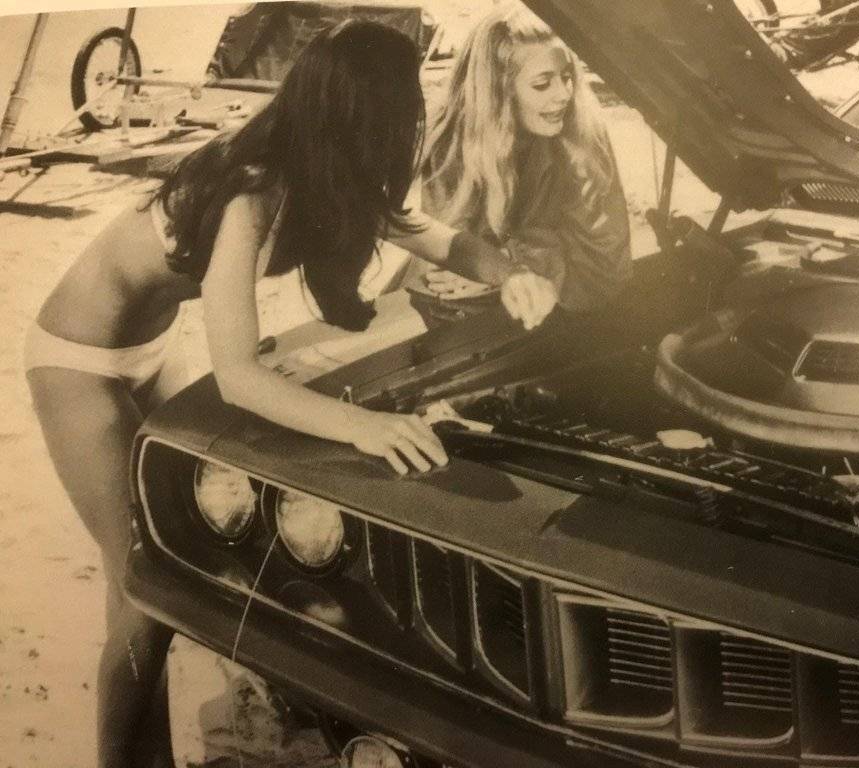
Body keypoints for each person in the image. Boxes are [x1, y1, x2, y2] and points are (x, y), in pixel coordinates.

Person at [23, 21, 555, 768]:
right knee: (144, 584)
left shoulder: (327, 169)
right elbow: (239, 377)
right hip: (78, 360)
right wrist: (361, 426)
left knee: (153, 577)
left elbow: (438, 238)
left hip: (147, 350)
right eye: (405, 107)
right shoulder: (252, 192)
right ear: (361, 115)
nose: (413, 121)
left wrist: (510, 274)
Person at [407, 2, 632, 315]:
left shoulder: (580, 132)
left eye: (567, 76)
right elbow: (448, 273)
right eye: (542, 84)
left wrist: (511, 263)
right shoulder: (449, 141)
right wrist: (519, 262)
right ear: (499, 92)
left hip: (567, 307)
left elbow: (605, 263)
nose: (564, 94)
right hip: (465, 316)